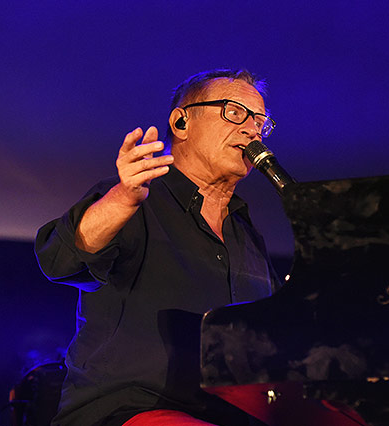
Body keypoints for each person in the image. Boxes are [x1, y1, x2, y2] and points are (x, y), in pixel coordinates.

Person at [35, 69, 281, 426]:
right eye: (235, 112)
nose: (251, 129)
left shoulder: (248, 233)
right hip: (131, 409)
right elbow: (60, 260)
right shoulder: (135, 200)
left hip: (233, 413)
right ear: (181, 122)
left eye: (261, 120)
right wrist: (121, 199)